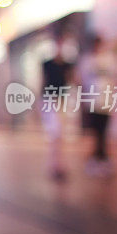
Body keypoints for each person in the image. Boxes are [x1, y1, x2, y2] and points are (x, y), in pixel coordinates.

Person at [77, 34, 117, 177]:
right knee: (97, 132)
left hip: (106, 102)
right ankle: (99, 159)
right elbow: (80, 81)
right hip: (93, 101)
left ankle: (100, 159)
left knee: (103, 131)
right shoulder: (87, 61)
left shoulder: (110, 60)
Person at [41, 36, 73, 181]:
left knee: (59, 134)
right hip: (50, 100)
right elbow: (43, 82)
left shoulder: (67, 64)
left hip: (61, 100)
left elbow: (71, 80)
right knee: (55, 133)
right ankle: (55, 165)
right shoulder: (47, 64)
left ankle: (57, 164)